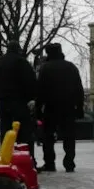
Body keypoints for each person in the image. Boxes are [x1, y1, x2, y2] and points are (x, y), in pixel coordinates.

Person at [0, 40, 37, 166]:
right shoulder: (23, 63)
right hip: (19, 102)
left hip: (3, 102)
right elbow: (32, 82)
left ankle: (5, 159)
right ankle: (27, 162)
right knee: (24, 133)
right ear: (18, 49)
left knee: (5, 131)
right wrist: (28, 98)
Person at [35, 43, 85, 173]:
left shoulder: (45, 68)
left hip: (51, 107)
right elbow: (79, 89)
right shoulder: (71, 67)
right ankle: (69, 163)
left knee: (48, 137)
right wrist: (79, 107)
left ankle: (50, 163)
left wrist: (38, 109)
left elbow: (40, 90)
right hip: (68, 107)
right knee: (69, 136)